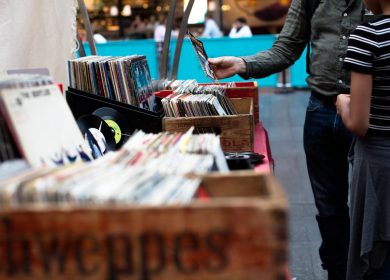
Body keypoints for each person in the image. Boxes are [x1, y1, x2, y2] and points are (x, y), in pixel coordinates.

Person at [208, 0, 365, 279]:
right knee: (329, 209)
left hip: (370, 114)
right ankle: (339, 273)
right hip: (321, 110)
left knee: (373, 207)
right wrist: (242, 64)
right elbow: (287, 48)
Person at [336, 0, 390, 279]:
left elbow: (358, 124)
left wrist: (343, 102)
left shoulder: (368, 36)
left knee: (378, 255)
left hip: (378, 167)